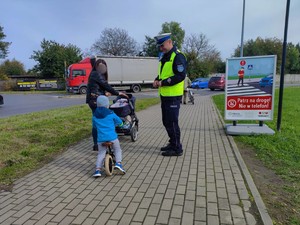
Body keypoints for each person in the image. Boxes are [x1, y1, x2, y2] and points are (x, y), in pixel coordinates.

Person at [153, 33, 187, 157]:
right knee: (166, 121)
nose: (161, 48)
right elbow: (163, 74)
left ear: (169, 42)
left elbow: (180, 76)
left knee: (172, 122)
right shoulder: (165, 56)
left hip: (173, 96)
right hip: (165, 95)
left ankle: (177, 148)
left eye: (162, 45)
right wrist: (157, 79)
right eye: (159, 47)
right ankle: (172, 143)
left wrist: (163, 83)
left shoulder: (178, 56)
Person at [86, 56, 127, 151]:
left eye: (103, 67)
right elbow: (106, 86)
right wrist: (118, 93)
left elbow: (99, 87)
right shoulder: (96, 74)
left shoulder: (94, 73)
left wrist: (105, 93)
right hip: (97, 102)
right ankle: (102, 141)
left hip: (94, 100)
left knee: (97, 121)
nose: (102, 69)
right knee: (104, 120)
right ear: (96, 67)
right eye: (100, 66)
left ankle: (97, 143)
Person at [92, 95, 126, 177]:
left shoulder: (94, 116)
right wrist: (121, 124)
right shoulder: (111, 113)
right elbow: (119, 121)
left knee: (101, 153)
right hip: (112, 138)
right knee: (117, 149)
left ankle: (97, 170)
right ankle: (118, 163)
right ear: (107, 105)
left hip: (101, 139)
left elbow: (94, 127)